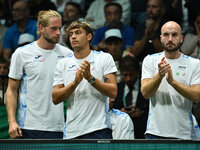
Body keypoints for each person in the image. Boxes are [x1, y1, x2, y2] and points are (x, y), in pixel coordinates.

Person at [5, 10, 72, 139]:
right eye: (53, 28)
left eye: (60, 28)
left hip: (58, 126)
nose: (58, 32)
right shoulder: (21, 53)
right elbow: (11, 90)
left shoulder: (67, 55)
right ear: (41, 28)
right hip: (27, 126)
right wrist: (12, 122)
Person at [52, 21, 117, 139]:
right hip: (72, 131)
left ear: (89, 36)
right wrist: (74, 83)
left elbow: (113, 91)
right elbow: (55, 98)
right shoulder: (62, 63)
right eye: (71, 34)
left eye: (78, 33)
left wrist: (90, 79)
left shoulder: (104, 58)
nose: (73, 36)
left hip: (99, 128)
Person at [141, 21, 200, 139]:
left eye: (174, 35)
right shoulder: (149, 60)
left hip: (184, 133)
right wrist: (159, 75)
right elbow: (145, 93)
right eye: (166, 35)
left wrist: (172, 82)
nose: (170, 39)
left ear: (181, 38)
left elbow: (196, 97)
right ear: (161, 38)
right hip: (155, 132)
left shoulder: (194, 63)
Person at [113, 55, 149, 139]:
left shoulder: (146, 88)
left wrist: (141, 113)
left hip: (141, 133)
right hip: (121, 133)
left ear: (138, 72)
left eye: (131, 74)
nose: (128, 78)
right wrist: (120, 112)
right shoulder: (116, 89)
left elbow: (151, 110)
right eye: (125, 75)